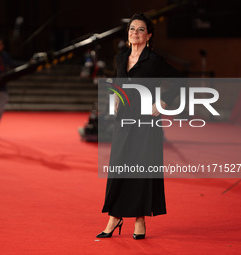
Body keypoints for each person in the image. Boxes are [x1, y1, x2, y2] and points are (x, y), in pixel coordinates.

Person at [96, 13, 180, 239]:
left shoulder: (154, 60)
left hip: (146, 121)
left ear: (149, 35)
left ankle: (140, 219)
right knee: (120, 166)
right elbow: (117, 81)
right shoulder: (121, 57)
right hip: (124, 118)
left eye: (141, 29)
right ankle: (114, 216)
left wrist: (163, 101)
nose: (135, 32)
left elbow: (180, 79)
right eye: (132, 28)